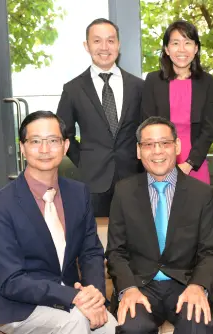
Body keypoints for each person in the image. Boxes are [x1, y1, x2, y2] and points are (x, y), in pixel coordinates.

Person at [0, 111, 116, 334]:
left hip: (73, 298)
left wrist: (93, 292)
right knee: (75, 321)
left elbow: (90, 251)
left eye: (53, 141)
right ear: (22, 148)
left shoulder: (78, 192)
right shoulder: (0, 205)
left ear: (65, 146)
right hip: (19, 306)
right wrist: (72, 298)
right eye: (35, 141)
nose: (45, 149)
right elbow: (11, 280)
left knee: (112, 328)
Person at [106, 117, 213, 334]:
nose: (157, 151)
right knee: (132, 328)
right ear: (139, 151)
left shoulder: (201, 193)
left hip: (186, 283)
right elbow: (115, 251)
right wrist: (128, 288)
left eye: (165, 143)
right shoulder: (124, 191)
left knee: (196, 325)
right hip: (140, 285)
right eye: (148, 144)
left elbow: (211, 251)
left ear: (177, 147)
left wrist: (198, 285)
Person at [57, 18, 144, 217]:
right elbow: (64, 132)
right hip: (92, 181)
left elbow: (145, 129)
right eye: (97, 41)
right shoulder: (73, 89)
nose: (104, 47)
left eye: (110, 40)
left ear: (118, 45)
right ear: (86, 46)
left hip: (133, 178)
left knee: (136, 239)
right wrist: (84, 160)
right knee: (95, 240)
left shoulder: (138, 86)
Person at [141, 20, 213, 185]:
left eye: (187, 43)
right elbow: (147, 125)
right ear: (167, 49)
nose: (182, 49)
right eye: (175, 43)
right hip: (159, 160)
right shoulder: (153, 80)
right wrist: (165, 164)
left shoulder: (207, 82)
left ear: (196, 48)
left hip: (195, 163)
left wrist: (189, 164)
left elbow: (209, 128)